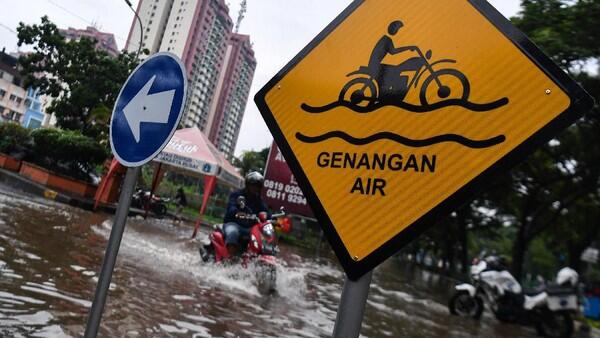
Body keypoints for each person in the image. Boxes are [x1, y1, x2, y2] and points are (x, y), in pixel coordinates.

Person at [367, 20, 424, 102]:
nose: (397, 31)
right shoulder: (386, 40)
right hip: (375, 66)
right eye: (397, 29)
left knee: (397, 70)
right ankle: (390, 95)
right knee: (396, 70)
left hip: (376, 65)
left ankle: (391, 94)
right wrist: (409, 47)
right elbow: (393, 51)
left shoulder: (385, 39)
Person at [223, 171, 269, 257]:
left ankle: (255, 259)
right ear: (248, 185)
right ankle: (230, 258)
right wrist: (237, 212)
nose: (255, 188)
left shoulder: (258, 200)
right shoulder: (237, 195)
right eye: (253, 185)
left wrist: (274, 219)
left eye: (258, 186)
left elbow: (265, 211)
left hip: (250, 228)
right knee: (233, 232)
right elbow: (231, 208)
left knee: (262, 238)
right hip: (234, 224)